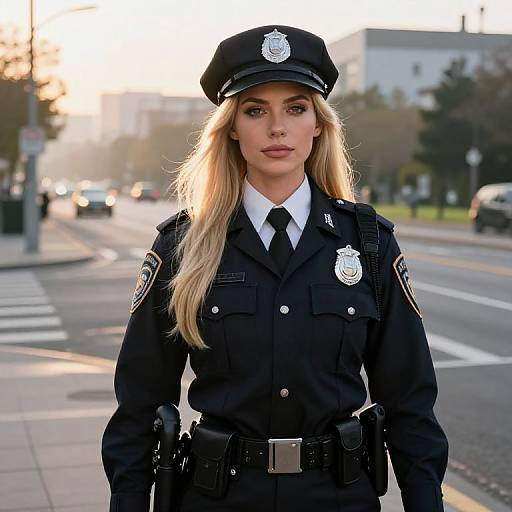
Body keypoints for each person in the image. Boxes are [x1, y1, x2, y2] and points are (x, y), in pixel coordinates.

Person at [101, 25, 448, 512]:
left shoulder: (368, 244)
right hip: (218, 498)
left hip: (338, 498)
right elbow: (138, 404)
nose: (277, 128)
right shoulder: (183, 245)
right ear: (232, 128)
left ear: (319, 124)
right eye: (256, 110)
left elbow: (410, 402)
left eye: (296, 108)